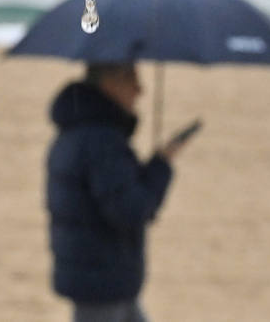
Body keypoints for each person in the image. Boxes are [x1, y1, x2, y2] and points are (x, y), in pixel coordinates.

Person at [45, 62, 189, 322]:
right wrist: (161, 167)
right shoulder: (101, 141)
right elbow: (131, 210)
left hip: (98, 275)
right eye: (131, 80)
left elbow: (115, 197)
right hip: (101, 280)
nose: (140, 90)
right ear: (109, 83)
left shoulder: (78, 132)